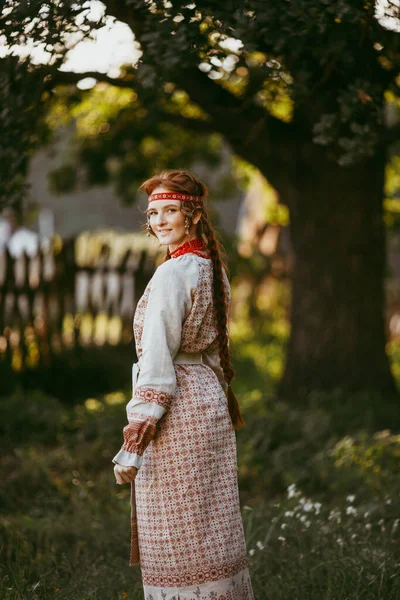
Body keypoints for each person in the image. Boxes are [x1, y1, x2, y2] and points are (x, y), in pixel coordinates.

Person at [112, 169, 254, 600]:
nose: (158, 220)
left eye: (169, 210)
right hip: (208, 404)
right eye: (153, 212)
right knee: (210, 528)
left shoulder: (172, 275)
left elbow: (157, 365)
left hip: (177, 413)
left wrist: (133, 443)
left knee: (180, 535)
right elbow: (214, 353)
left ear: (192, 215)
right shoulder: (212, 268)